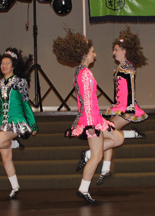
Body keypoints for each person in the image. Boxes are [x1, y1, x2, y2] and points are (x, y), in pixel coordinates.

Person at [53, 29, 124, 204]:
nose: (95, 55)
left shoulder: (82, 72)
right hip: (90, 120)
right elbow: (87, 101)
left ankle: (87, 156)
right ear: (85, 54)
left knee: (118, 138)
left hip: (94, 118)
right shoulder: (84, 74)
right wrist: (92, 125)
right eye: (93, 52)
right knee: (97, 156)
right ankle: (83, 189)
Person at [80, 27, 148, 186]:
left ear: (125, 51)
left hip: (126, 109)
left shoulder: (127, 68)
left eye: (116, 50)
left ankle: (93, 157)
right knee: (107, 132)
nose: (114, 53)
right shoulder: (121, 67)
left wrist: (130, 110)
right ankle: (106, 168)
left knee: (107, 132)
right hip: (120, 106)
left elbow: (130, 90)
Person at [0, 48, 38, 199]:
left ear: (13, 65)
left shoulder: (20, 82)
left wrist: (32, 125)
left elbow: (26, 104)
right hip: (3, 122)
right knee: (5, 158)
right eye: (2, 63)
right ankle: (15, 187)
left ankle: (15, 144)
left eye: (7, 63)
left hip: (17, 121)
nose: (4, 66)